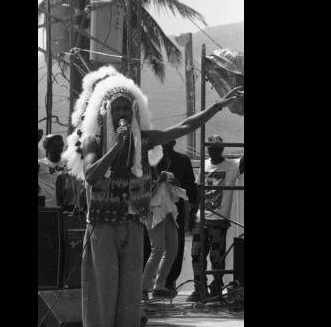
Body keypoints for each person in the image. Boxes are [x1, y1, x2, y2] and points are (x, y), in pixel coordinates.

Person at [62, 68, 243, 327]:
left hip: (134, 225)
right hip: (103, 227)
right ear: (105, 112)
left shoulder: (143, 140)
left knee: (129, 294)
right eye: (117, 108)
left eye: (127, 109)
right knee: (103, 291)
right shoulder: (94, 141)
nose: (123, 114)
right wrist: (116, 147)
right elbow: (91, 175)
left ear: (134, 112)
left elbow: (184, 126)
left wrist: (217, 106)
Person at [187, 135, 244, 302]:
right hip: (201, 219)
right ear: (208, 149)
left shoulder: (231, 166)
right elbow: (199, 191)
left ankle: (216, 288)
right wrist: (193, 214)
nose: (213, 150)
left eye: (217, 147)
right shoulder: (204, 165)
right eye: (211, 148)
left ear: (222, 149)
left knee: (216, 256)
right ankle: (199, 289)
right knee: (197, 254)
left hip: (219, 220)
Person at [149, 141, 198, 294]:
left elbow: (191, 186)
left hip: (174, 207)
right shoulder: (152, 159)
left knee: (174, 246)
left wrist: (179, 184)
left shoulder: (183, 160)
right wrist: (161, 180)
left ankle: (166, 282)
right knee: (156, 247)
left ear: (175, 142)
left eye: (169, 140)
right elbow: (146, 188)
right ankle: (146, 285)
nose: (165, 144)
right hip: (155, 207)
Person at [142, 170, 187, 300]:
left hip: (168, 210)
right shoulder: (144, 167)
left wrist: (176, 184)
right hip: (153, 210)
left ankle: (159, 286)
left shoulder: (167, 172)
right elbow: (142, 196)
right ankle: (144, 288)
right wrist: (159, 182)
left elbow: (175, 195)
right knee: (158, 249)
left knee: (172, 249)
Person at [38, 134, 66, 208]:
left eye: (60, 146)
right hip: (45, 208)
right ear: (47, 148)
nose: (58, 149)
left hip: (64, 209)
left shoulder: (67, 164)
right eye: (55, 146)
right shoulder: (40, 164)